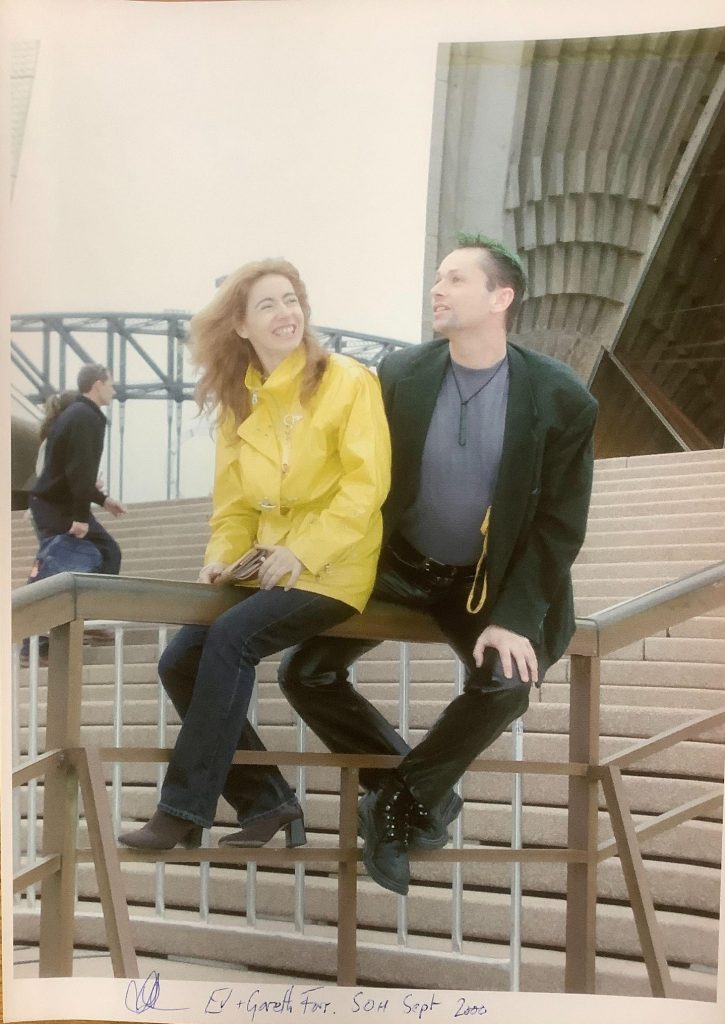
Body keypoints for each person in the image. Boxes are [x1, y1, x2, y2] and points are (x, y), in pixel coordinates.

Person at [272, 235, 598, 895]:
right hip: (395, 564)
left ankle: (393, 803)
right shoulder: (400, 376)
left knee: (506, 682)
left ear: (499, 297)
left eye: (454, 279)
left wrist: (513, 618)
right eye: (436, 278)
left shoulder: (561, 398)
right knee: (305, 673)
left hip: (481, 582)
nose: (437, 289)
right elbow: (343, 469)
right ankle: (423, 795)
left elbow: (557, 524)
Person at [118, 258, 391, 851]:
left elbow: (365, 487)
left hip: (333, 565)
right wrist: (221, 557)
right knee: (177, 662)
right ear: (240, 325)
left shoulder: (347, 380)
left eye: (292, 300)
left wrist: (303, 548)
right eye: (267, 304)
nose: (286, 313)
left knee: (232, 638)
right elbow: (234, 508)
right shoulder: (240, 404)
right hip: (267, 567)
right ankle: (267, 801)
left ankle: (185, 809)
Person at [23, 368, 126, 661]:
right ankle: (39, 642)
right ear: (97, 386)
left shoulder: (79, 415)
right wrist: (81, 517)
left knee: (102, 555)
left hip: (57, 503)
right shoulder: (85, 417)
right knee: (66, 565)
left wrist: (103, 500)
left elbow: (73, 471)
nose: (114, 391)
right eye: (111, 385)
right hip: (58, 507)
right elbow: (78, 471)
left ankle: (85, 623)